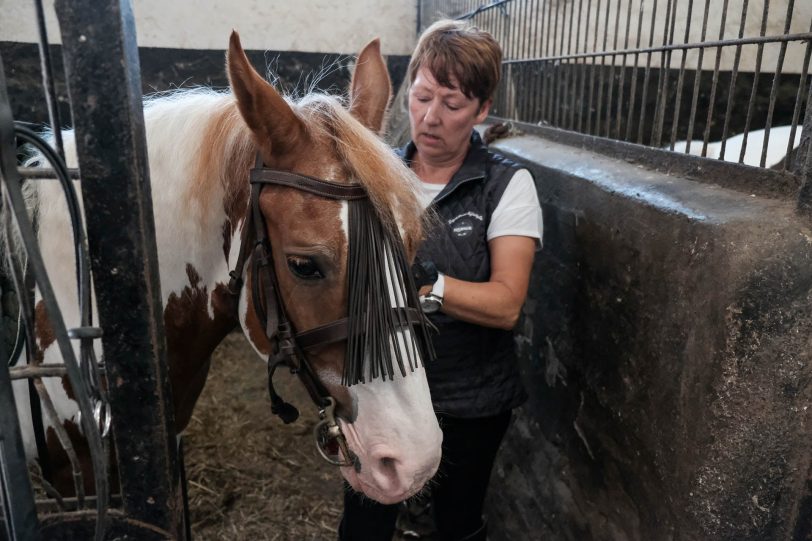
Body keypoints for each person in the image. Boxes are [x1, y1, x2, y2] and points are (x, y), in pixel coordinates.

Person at [339, 19, 543, 541]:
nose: (430, 118)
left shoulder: (505, 185)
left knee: (455, 523)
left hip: (470, 396)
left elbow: (506, 304)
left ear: (482, 110)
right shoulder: (376, 177)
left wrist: (430, 286)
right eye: (422, 96)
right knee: (365, 522)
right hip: (383, 386)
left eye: (452, 105)